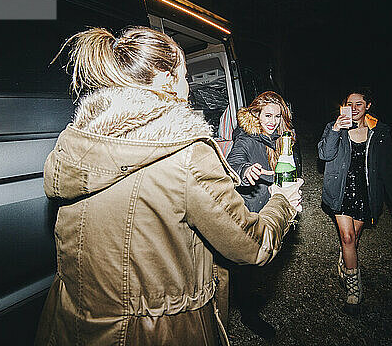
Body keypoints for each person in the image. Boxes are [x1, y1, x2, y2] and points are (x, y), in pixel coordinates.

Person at [34, 26, 303, 346]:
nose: (189, 87)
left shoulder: (77, 144)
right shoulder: (186, 153)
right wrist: (283, 202)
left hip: (72, 326)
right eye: (185, 75)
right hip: (155, 334)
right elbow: (253, 245)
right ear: (166, 79)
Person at [318, 88, 392, 314]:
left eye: (359, 104)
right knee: (347, 236)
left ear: (368, 106)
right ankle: (354, 289)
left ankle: (345, 259)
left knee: (354, 239)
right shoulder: (336, 128)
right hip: (341, 189)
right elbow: (324, 154)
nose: (354, 108)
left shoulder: (379, 132)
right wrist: (335, 129)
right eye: (350, 104)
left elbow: (389, 169)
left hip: (366, 192)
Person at [225, 91, 299, 338]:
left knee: (260, 264)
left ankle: (248, 297)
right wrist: (245, 171)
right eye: (268, 115)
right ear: (256, 114)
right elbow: (232, 164)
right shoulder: (247, 139)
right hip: (251, 210)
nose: (273, 121)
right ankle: (247, 314)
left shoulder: (281, 138)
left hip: (270, 206)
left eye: (277, 116)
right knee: (247, 263)